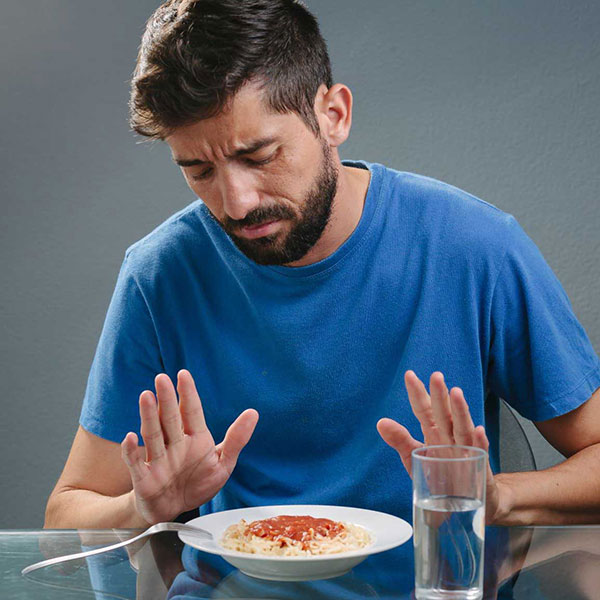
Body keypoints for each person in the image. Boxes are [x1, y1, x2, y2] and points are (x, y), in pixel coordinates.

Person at [45, 0, 600, 530]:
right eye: (198, 171)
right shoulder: (160, 275)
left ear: (333, 115)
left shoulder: (476, 247)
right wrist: (144, 507)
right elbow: (65, 516)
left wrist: (499, 498)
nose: (235, 203)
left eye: (258, 156)